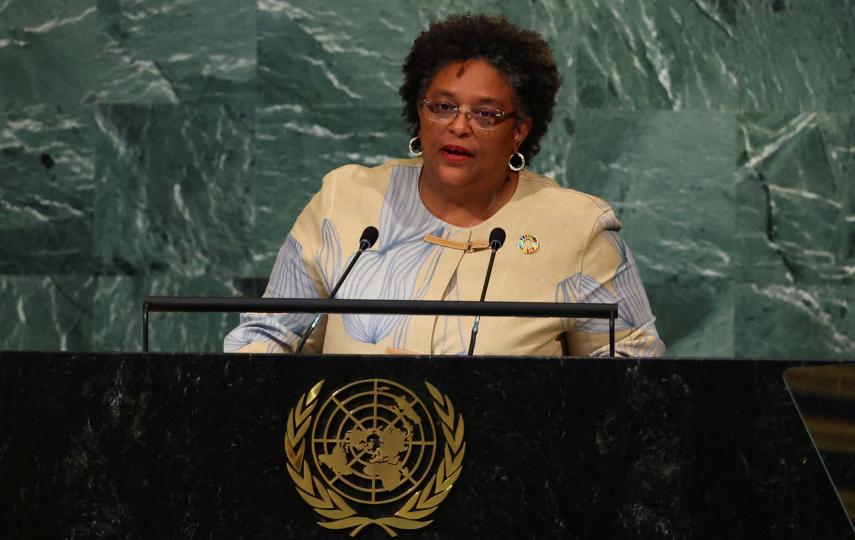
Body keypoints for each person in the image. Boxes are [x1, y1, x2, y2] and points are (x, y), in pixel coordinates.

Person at [225, 14, 665, 357]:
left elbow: (632, 364)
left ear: (520, 131)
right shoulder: (347, 201)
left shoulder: (575, 228)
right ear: (420, 114)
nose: (459, 126)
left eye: (485, 114)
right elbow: (268, 332)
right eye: (443, 106)